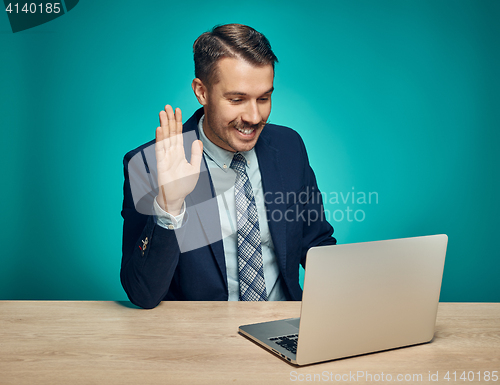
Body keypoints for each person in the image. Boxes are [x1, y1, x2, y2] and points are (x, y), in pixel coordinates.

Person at [120, 24, 336, 309]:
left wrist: (350, 294)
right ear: (202, 91)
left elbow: (316, 243)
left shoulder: (289, 147)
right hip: (200, 340)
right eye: (237, 99)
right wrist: (169, 206)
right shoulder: (148, 164)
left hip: (283, 327)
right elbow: (142, 293)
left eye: (264, 98)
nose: (254, 116)